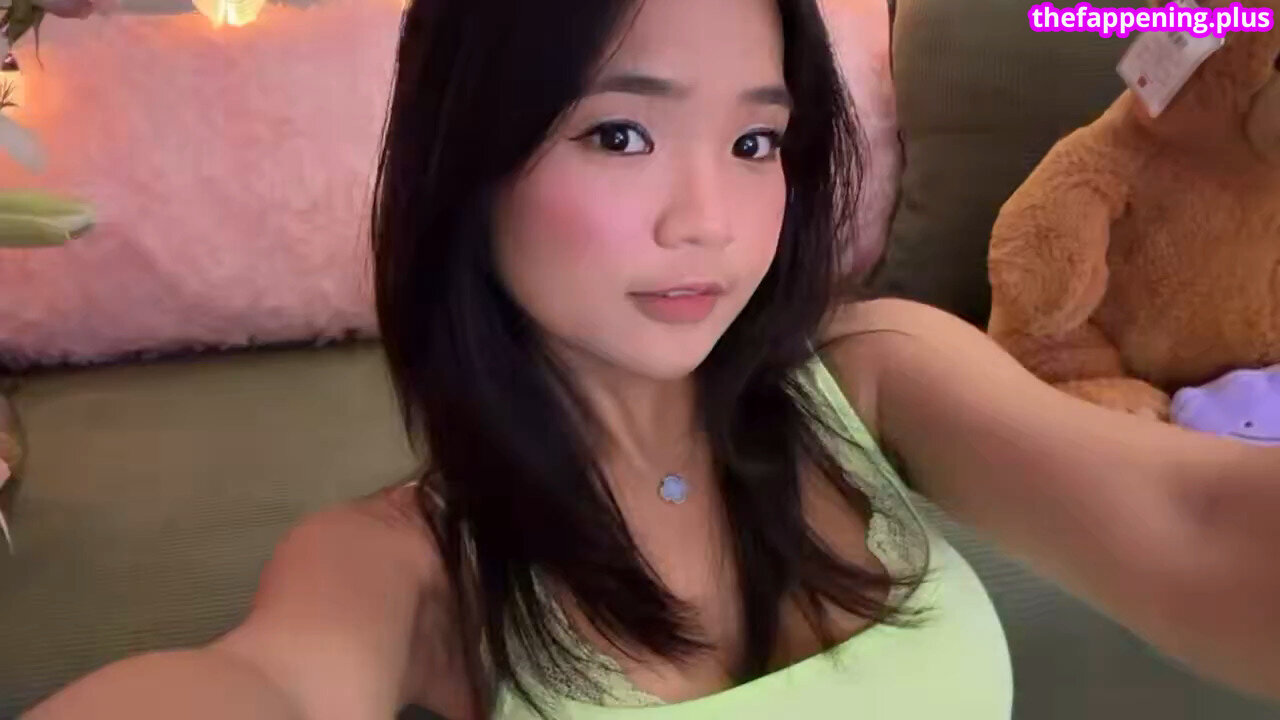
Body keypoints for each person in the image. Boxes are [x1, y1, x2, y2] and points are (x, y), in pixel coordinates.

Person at [25, 0, 1280, 718]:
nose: (708, 221)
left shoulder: (871, 370)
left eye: (754, 144)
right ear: (471, 159)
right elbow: (257, 687)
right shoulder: (401, 560)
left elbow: (1189, 517)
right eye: (620, 134)